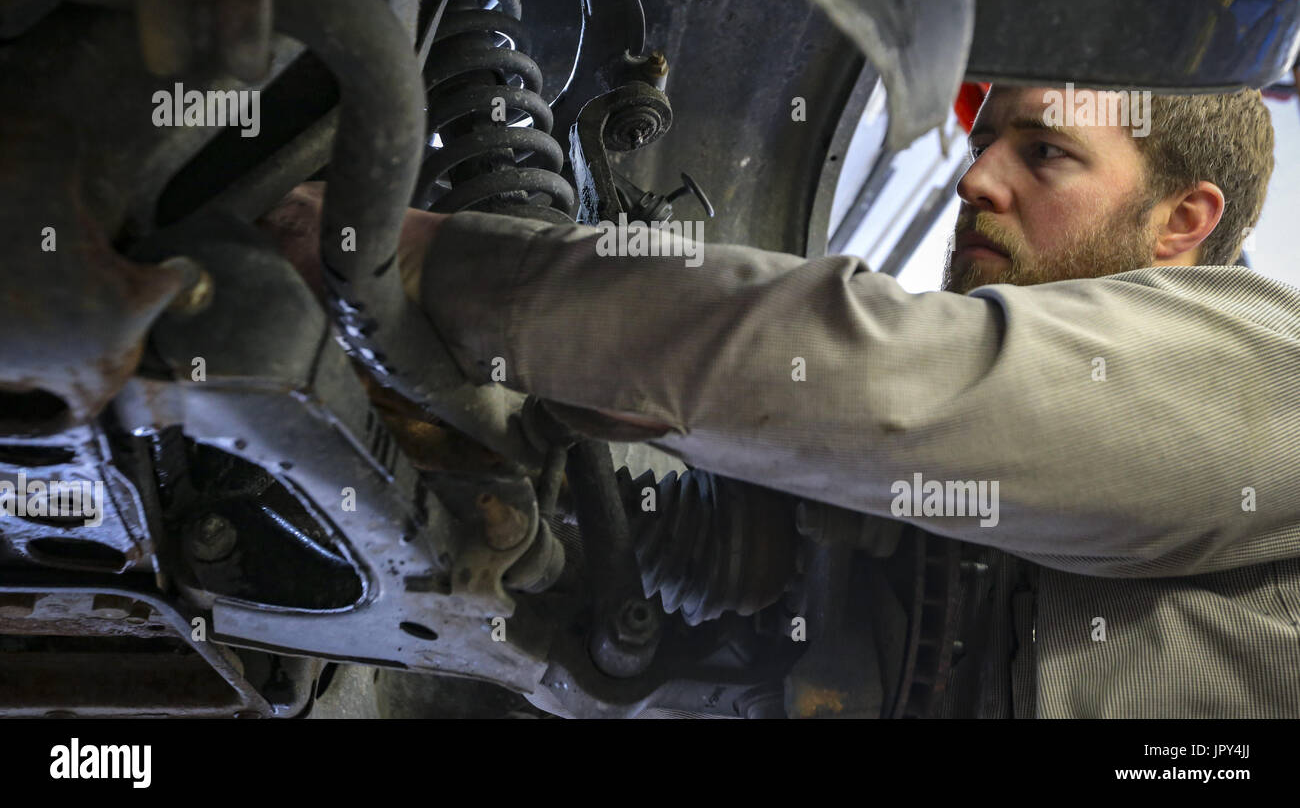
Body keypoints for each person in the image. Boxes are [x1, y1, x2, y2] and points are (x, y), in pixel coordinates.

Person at [267, 85, 1299, 718]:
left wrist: (425, 264)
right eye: (986, 143)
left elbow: (886, 382)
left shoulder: (1274, 371)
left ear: (1181, 224)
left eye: (1044, 151)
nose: (975, 179)